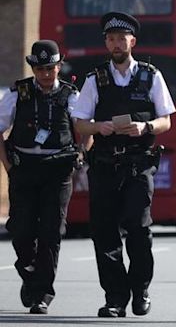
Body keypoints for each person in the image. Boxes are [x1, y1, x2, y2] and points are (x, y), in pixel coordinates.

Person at [72, 12, 176, 317]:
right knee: (104, 233)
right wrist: (99, 127)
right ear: (106, 43)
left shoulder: (151, 75)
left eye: (122, 38)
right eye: (111, 39)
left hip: (139, 165)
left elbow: (166, 120)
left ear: (133, 41)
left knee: (139, 229)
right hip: (104, 164)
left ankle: (140, 289)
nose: (117, 43)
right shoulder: (95, 78)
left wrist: (146, 128)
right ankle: (115, 298)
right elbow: (80, 123)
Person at [0, 40, 83, 314]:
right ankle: (28, 270)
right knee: (21, 230)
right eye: (39, 69)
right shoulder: (18, 93)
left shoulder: (71, 95)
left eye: (50, 68)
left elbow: (85, 127)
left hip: (58, 171)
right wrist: (8, 167)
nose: (45, 74)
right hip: (23, 169)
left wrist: (79, 156)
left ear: (59, 67)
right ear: (33, 69)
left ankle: (42, 293)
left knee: (51, 232)